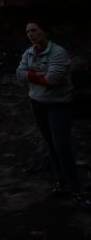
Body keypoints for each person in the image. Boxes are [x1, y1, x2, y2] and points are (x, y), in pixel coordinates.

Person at [16, 21, 90, 208]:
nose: (31, 34)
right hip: (37, 103)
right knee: (50, 144)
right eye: (28, 32)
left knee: (62, 147)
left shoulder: (58, 52)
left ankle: (76, 188)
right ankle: (62, 183)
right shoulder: (29, 52)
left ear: (45, 32)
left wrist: (31, 74)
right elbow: (18, 73)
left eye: (34, 30)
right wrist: (37, 75)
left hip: (58, 105)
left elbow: (52, 80)